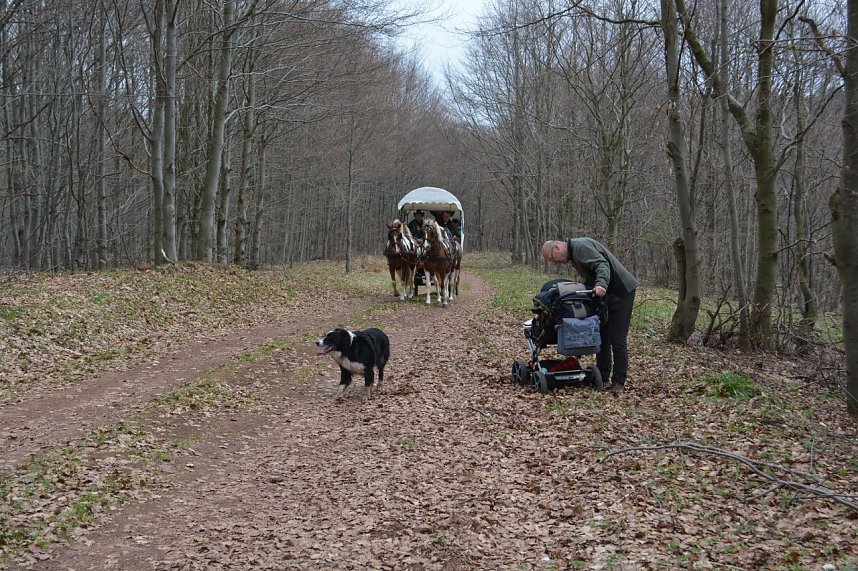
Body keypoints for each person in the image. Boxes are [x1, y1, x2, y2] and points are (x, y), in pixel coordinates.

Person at [541, 238, 639, 394]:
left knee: (617, 338)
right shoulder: (574, 254)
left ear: (557, 247)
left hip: (621, 292)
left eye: (553, 259)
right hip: (608, 295)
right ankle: (602, 375)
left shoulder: (580, 247)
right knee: (602, 334)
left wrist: (601, 284)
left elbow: (602, 265)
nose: (555, 263)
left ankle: (618, 383)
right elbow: (590, 274)